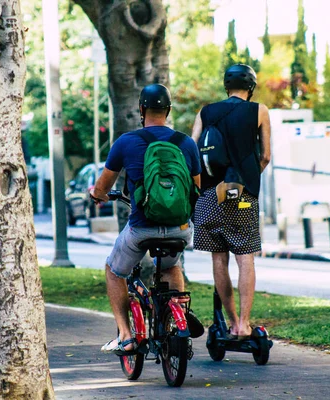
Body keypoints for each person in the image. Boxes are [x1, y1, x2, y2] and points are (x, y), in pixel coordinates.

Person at [90, 83, 203, 355]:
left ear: (141, 109)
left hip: (142, 228)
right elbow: (197, 187)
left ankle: (126, 336)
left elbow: (103, 186)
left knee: (114, 271)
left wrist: (98, 195)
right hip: (180, 229)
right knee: (171, 266)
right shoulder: (185, 143)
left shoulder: (127, 142)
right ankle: (177, 316)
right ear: (168, 110)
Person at [191, 64, 271, 339]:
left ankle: (231, 320)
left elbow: (193, 150)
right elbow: (266, 156)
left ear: (226, 86)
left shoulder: (206, 112)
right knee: (245, 257)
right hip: (242, 195)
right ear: (251, 87)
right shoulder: (259, 110)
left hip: (211, 195)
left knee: (219, 258)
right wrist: (248, 177)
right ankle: (244, 325)